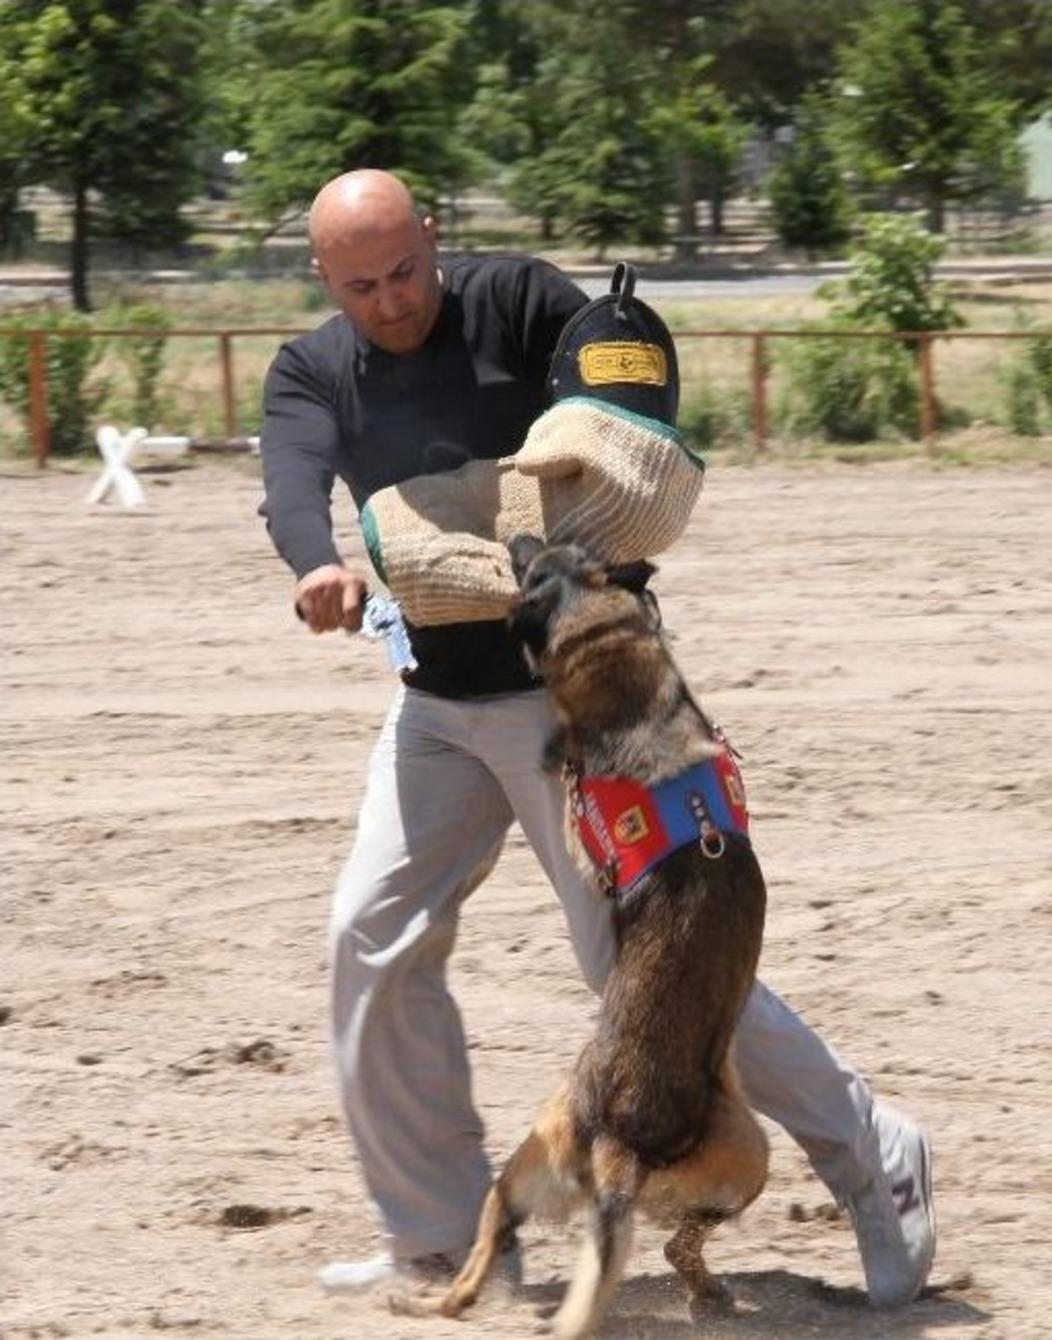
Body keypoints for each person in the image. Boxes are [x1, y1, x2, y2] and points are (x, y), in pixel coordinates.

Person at [258, 168, 935, 1307]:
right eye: (361, 284)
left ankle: (874, 1152)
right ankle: (434, 1230)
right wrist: (314, 561)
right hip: (431, 705)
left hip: (574, 713)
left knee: (639, 974)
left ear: (434, 235)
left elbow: (621, 394)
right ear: (324, 278)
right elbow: (289, 479)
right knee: (367, 937)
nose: (390, 298)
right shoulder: (311, 369)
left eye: (406, 269)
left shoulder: (518, 299)